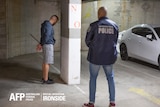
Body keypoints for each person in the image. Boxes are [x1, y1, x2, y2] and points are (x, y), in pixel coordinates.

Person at [83, 7, 118, 107]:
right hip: (109, 58)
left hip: (95, 57)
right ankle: (112, 102)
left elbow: (87, 41)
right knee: (110, 78)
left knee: (93, 78)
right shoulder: (114, 25)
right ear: (106, 14)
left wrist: (95, 48)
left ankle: (91, 102)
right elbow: (115, 41)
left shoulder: (93, 25)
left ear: (99, 14)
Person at [36, 15, 59, 84]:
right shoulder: (48, 25)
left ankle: (44, 77)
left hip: (46, 44)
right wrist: (41, 44)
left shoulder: (45, 24)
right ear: (54, 20)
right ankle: (45, 80)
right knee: (47, 62)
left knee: (45, 62)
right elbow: (47, 35)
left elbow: (43, 36)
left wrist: (41, 43)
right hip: (48, 45)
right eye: (56, 22)